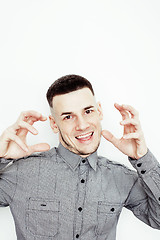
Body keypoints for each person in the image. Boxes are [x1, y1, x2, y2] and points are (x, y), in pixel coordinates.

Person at [0, 74, 160, 240]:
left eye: (88, 111)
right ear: (54, 124)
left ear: (99, 112)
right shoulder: (21, 173)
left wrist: (143, 158)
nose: (82, 125)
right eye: (68, 117)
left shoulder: (121, 178)